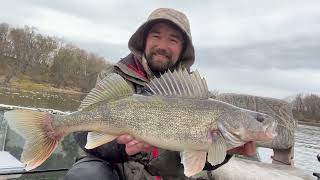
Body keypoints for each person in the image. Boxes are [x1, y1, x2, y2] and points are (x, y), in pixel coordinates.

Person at [64, 8, 256, 180]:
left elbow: (195, 162)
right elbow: (82, 133)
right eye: (156, 36)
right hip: (117, 172)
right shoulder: (114, 78)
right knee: (86, 175)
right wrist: (122, 147)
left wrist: (227, 149)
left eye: (173, 40)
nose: (163, 45)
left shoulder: (194, 96)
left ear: (183, 49)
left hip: (166, 176)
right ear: (144, 40)